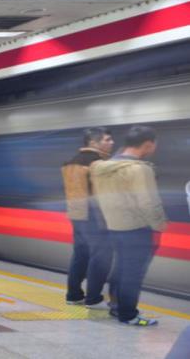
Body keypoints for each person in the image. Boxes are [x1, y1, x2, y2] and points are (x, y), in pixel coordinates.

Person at [91, 126, 167, 327]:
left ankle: (116, 306)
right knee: (132, 274)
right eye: (155, 144)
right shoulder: (140, 169)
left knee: (120, 269)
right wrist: (159, 225)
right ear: (148, 144)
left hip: (114, 227)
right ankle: (128, 314)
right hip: (138, 229)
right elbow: (148, 202)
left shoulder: (101, 167)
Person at [61, 127, 114, 308]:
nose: (111, 142)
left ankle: (73, 295)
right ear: (93, 142)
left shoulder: (70, 162)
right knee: (101, 256)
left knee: (80, 255)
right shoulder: (98, 164)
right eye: (107, 139)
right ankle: (93, 299)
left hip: (76, 215)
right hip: (96, 216)